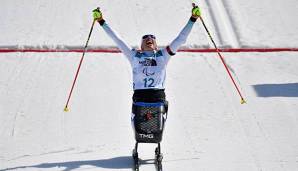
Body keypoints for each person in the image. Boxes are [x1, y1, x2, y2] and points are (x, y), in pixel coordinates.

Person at [92, 4, 201, 105]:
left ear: (157, 46)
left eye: (153, 37)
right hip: (140, 95)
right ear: (141, 47)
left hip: (157, 94)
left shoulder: (162, 55)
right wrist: (102, 21)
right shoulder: (134, 56)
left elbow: (180, 39)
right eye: (145, 38)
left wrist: (193, 19)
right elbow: (117, 39)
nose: (149, 38)